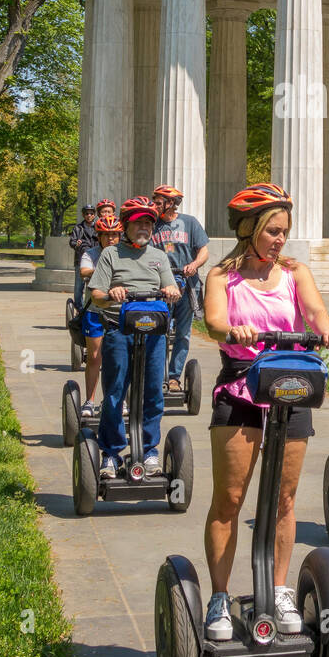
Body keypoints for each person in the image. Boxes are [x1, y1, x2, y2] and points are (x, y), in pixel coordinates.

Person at [202, 183, 329, 641]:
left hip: (290, 387)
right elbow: (213, 322)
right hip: (241, 389)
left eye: (285, 231)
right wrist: (234, 330)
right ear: (249, 229)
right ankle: (220, 598)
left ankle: (279, 589)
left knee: (284, 500)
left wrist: (328, 332)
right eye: (272, 231)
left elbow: (316, 312)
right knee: (230, 500)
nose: (280, 239)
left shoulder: (296, 272)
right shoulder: (222, 277)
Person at [86, 197, 181, 477]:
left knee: (153, 392)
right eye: (139, 222)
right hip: (119, 328)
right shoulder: (111, 255)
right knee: (115, 392)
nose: (144, 227)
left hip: (153, 331)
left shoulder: (159, 257)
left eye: (149, 223)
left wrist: (172, 291)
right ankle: (112, 453)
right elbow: (96, 296)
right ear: (126, 224)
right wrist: (111, 292)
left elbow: (170, 285)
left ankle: (149, 450)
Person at [150, 184, 210, 393]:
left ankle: (174, 377)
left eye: (158, 202)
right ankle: (158, 375)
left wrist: (194, 265)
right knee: (159, 331)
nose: (154, 205)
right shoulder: (152, 224)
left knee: (183, 334)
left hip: (186, 284)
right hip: (161, 286)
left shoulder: (189, 222)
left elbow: (203, 250)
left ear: (171, 203)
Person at [77, 215, 122, 420]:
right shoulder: (91, 254)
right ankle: (90, 400)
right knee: (95, 357)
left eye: (114, 235)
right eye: (106, 235)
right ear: (99, 236)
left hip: (119, 312)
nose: (111, 239)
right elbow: (84, 270)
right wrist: (103, 273)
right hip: (95, 311)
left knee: (119, 358)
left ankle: (119, 400)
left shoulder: (125, 255)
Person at [69, 205, 98, 308]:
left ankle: (93, 307)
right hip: (81, 261)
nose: (89, 215)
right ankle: (79, 308)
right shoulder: (78, 228)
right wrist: (77, 243)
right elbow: (72, 242)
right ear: (83, 215)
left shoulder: (98, 227)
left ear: (94, 215)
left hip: (96, 261)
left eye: (91, 213)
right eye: (86, 213)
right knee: (79, 287)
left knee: (94, 286)